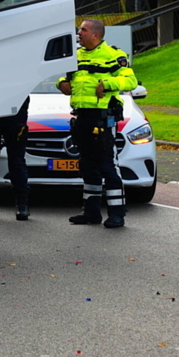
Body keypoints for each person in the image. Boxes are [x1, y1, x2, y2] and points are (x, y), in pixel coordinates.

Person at [57, 19, 138, 229]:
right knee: (88, 165)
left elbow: (130, 82)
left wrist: (108, 83)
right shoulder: (77, 56)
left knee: (107, 165)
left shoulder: (113, 55)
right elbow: (66, 78)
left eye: (83, 29)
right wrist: (61, 83)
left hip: (102, 118)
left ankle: (117, 213)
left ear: (95, 34)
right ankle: (91, 212)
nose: (79, 32)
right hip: (82, 117)